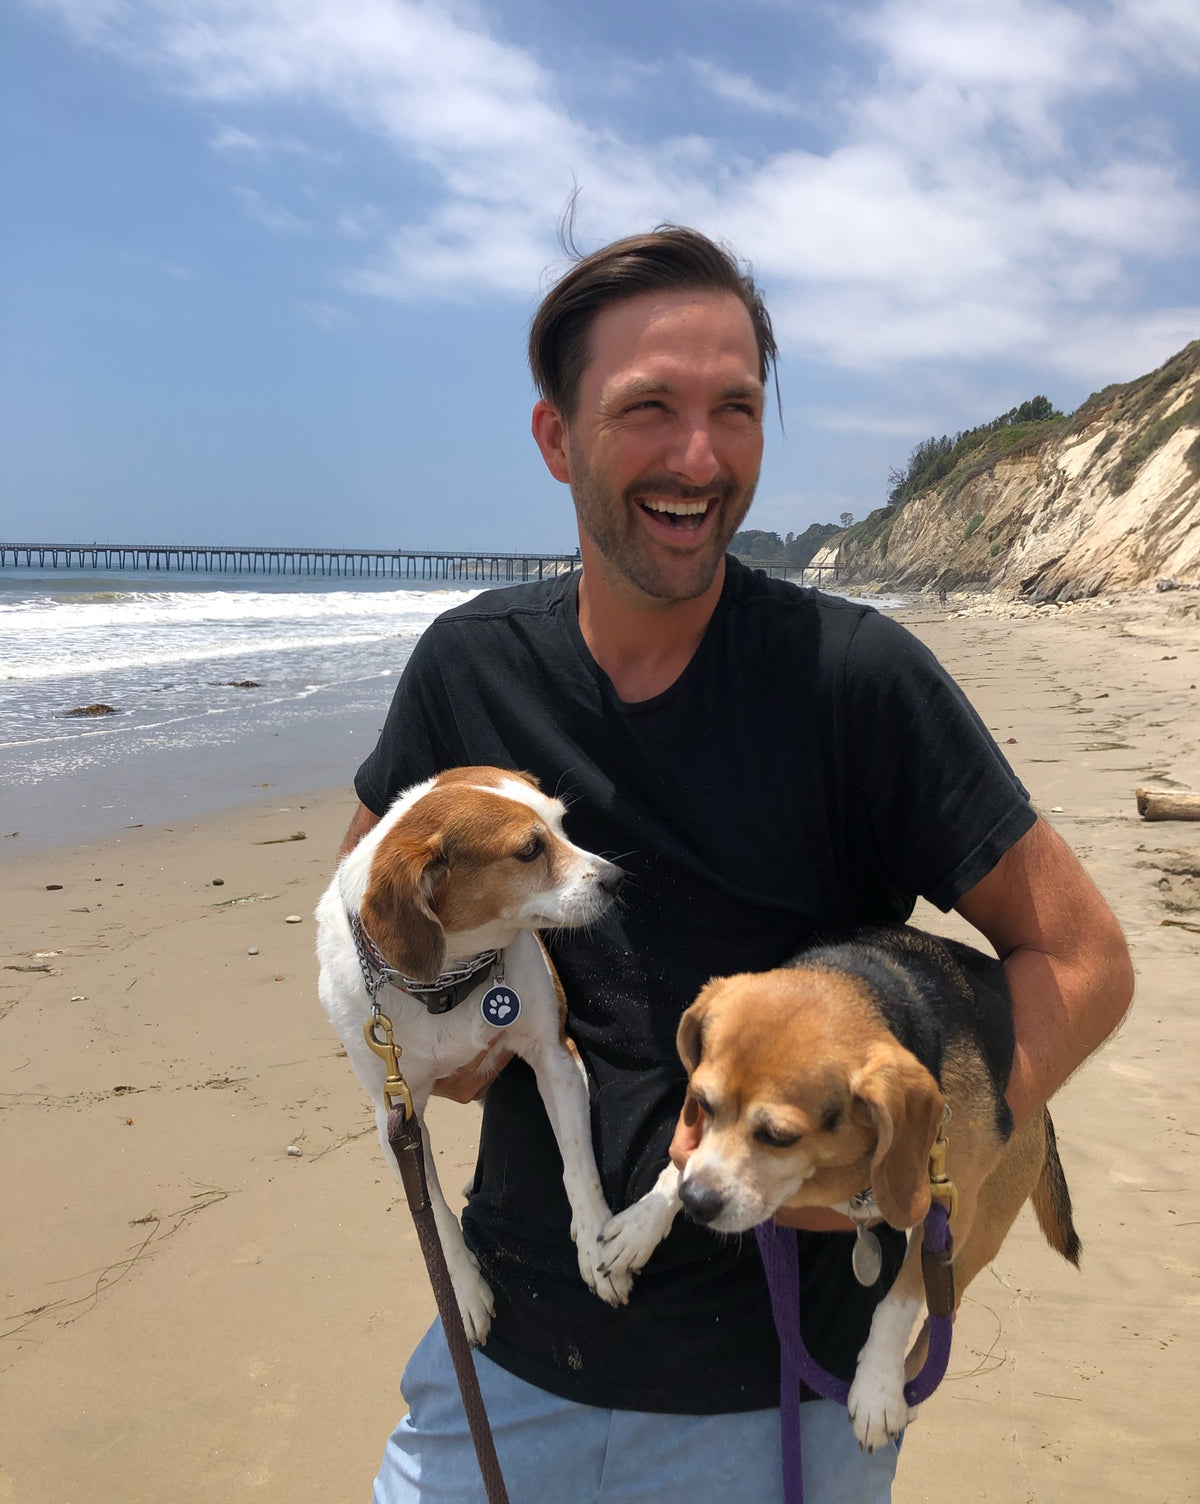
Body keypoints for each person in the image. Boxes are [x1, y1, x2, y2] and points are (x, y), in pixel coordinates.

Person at [339, 227, 1133, 1504]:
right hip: (507, 1351)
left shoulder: (856, 683)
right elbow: (366, 918)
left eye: (736, 409)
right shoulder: (467, 667)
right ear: (556, 439)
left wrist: (918, 1175)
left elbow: (1082, 959)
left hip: (782, 1394)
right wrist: (445, 1018)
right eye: (648, 408)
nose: (699, 458)